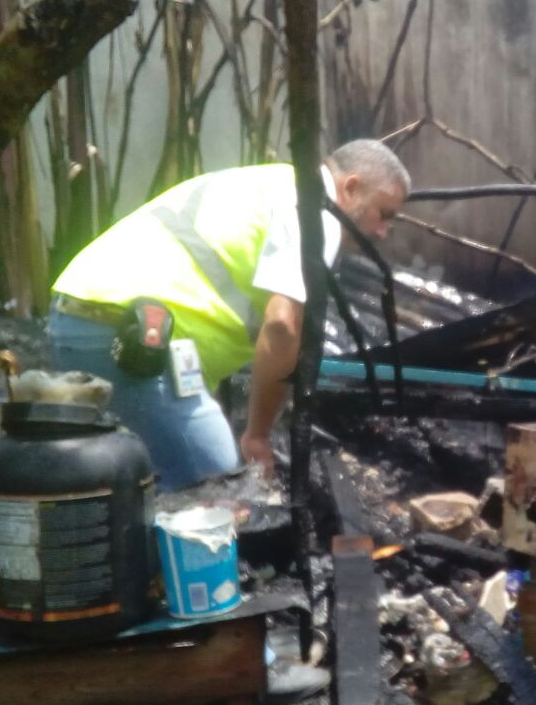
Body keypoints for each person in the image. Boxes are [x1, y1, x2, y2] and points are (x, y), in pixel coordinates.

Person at [48, 139, 408, 489]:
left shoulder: (275, 184)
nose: (383, 232)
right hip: (127, 336)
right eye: (384, 214)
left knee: (150, 482)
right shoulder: (317, 212)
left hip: (89, 317)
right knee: (215, 483)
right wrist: (258, 435)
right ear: (352, 187)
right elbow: (283, 325)